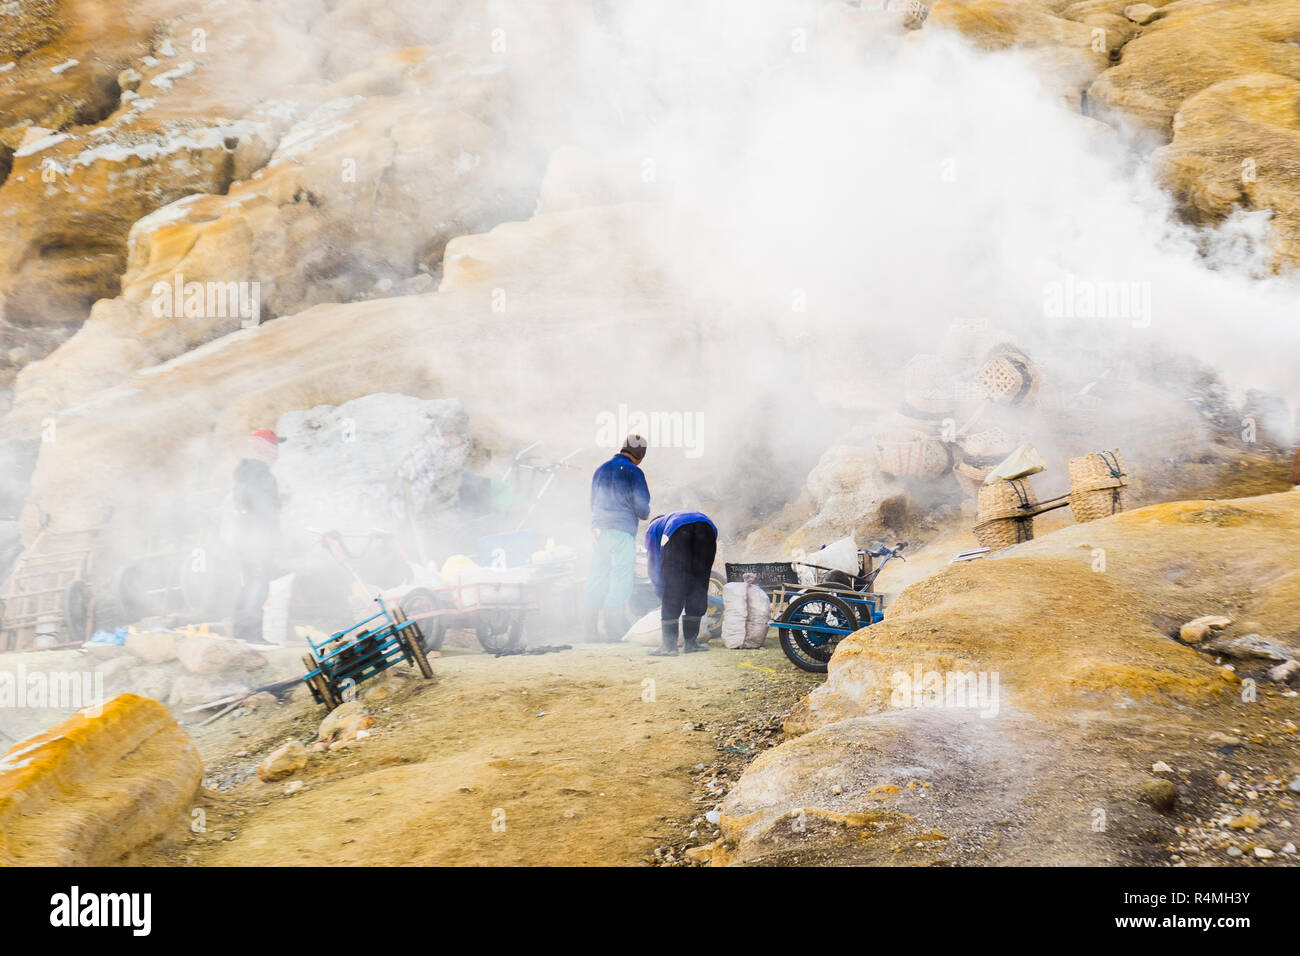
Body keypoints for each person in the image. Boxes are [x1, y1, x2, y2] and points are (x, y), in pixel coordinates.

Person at [585, 435, 650, 641]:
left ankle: (590, 632)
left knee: (597, 578)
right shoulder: (634, 471)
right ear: (640, 456)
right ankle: (614, 631)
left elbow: (593, 502)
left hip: (600, 533)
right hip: (622, 532)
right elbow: (642, 509)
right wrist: (645, 511)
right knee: (620, 580)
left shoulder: (601, 470)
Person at [231, 428, 285, 642]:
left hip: (247, 539)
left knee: (251, 584)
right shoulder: (259, 472)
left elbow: (250, 505)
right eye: (274, 445)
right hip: (257, 541)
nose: (277, 450)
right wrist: (273, 536)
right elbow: (263, 510)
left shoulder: (246, 471)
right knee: (257, 586)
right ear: (264, 448)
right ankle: (249, 635)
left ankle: (244, 633)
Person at [644, 510, 717, 656]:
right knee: (699, 585)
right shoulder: (674, 518)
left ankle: (669, 646)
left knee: (674, 585)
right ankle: (691, 644)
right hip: (707, 529)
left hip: (678, 532)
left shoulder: (653, 527)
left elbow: (653, 562)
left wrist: (661, 592)